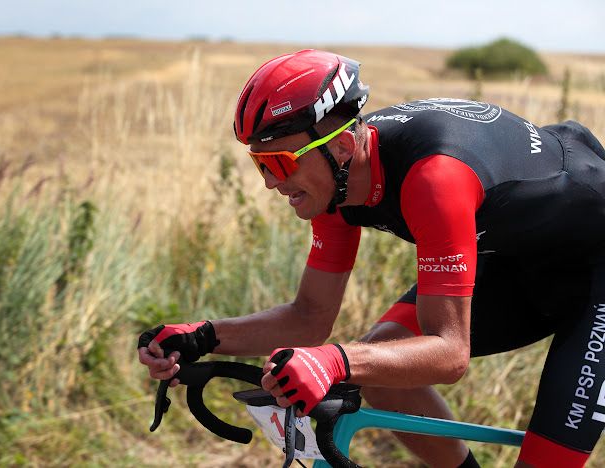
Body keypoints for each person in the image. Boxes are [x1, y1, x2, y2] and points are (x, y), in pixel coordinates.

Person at [137, 49, 605, 467]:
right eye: (260, 164)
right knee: (382, 367)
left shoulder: (434, 178)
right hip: (515, 260)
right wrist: (203, 336)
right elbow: (310, 317)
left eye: (279, 163)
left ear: (341, 146)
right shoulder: (335, 184)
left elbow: (449, 354)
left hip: (597, 274)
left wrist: (334, 362)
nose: (270, 184)